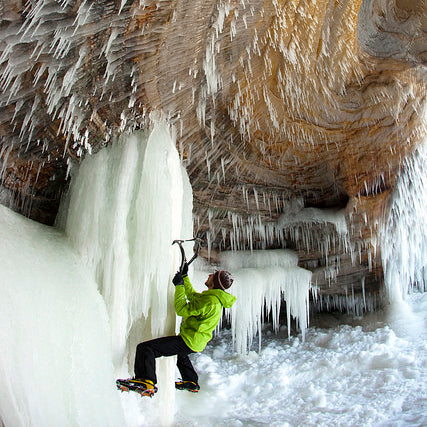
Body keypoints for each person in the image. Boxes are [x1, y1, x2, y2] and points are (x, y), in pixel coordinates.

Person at [124, 263, 236, 395]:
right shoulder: (212, 297)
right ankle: (191, 381)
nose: (209, 275)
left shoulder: (210, 301)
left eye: (213, 276)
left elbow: (181, 309)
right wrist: (184, 277)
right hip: (195, 341)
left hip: (188, 340)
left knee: (146, 348)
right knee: (181, 356)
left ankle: (146, 381)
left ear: (215, 283)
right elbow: (192, 296)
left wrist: (179, 286)